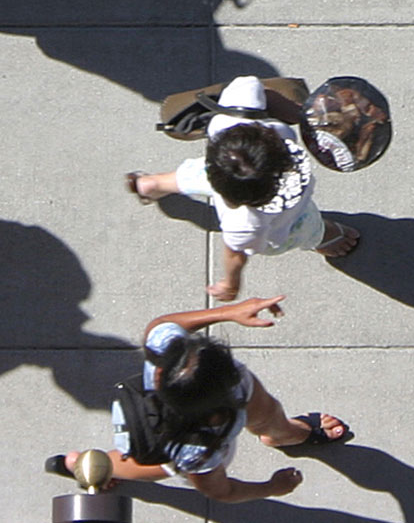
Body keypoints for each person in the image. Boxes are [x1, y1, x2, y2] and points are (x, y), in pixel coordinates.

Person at [51, 298, 353, 504]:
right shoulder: (196, 453)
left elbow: (162, 324)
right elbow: (223, 491)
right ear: (217, 417)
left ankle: (284, 434)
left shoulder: (167, 353)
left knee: (269, 412)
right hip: (173, 445)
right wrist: (272, 488)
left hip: (204, 412)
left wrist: (229, 312)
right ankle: (87, 469)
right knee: (154, 465)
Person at [126, 77, 359, 302]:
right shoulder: (247, 224)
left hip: (220, 167)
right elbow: (234, 254)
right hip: (285, 221)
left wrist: (301, 113)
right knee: (305, 225)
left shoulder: (228, 142)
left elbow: (249, 85)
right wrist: (231, 282)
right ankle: (321, 235)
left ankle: (151, 184)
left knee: (197, 175)